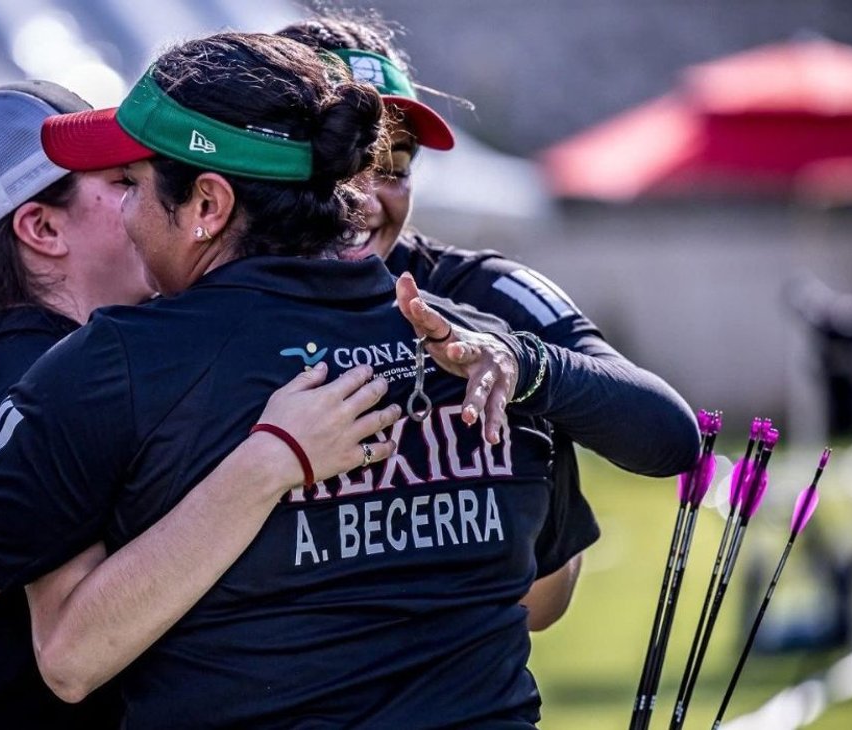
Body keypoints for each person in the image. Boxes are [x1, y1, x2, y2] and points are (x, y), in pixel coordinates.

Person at [0, 32, 616, 727]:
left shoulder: (109, 359)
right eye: (120, 180)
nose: (131, 207)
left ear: (210, 205)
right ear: (41, 230)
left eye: (138, 181)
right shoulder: (469, 339)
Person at [0, 79, 401, 729]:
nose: (152, 198)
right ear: (41, 227)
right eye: (125, 182)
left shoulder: (55, 359)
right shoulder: (47, 376)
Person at [277, 16, 701, 629]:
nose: (369, 200)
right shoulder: (208, 290)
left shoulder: (484, 289)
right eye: (343, 166)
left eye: (395, 168)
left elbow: (667, 436)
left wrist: (522, 365)